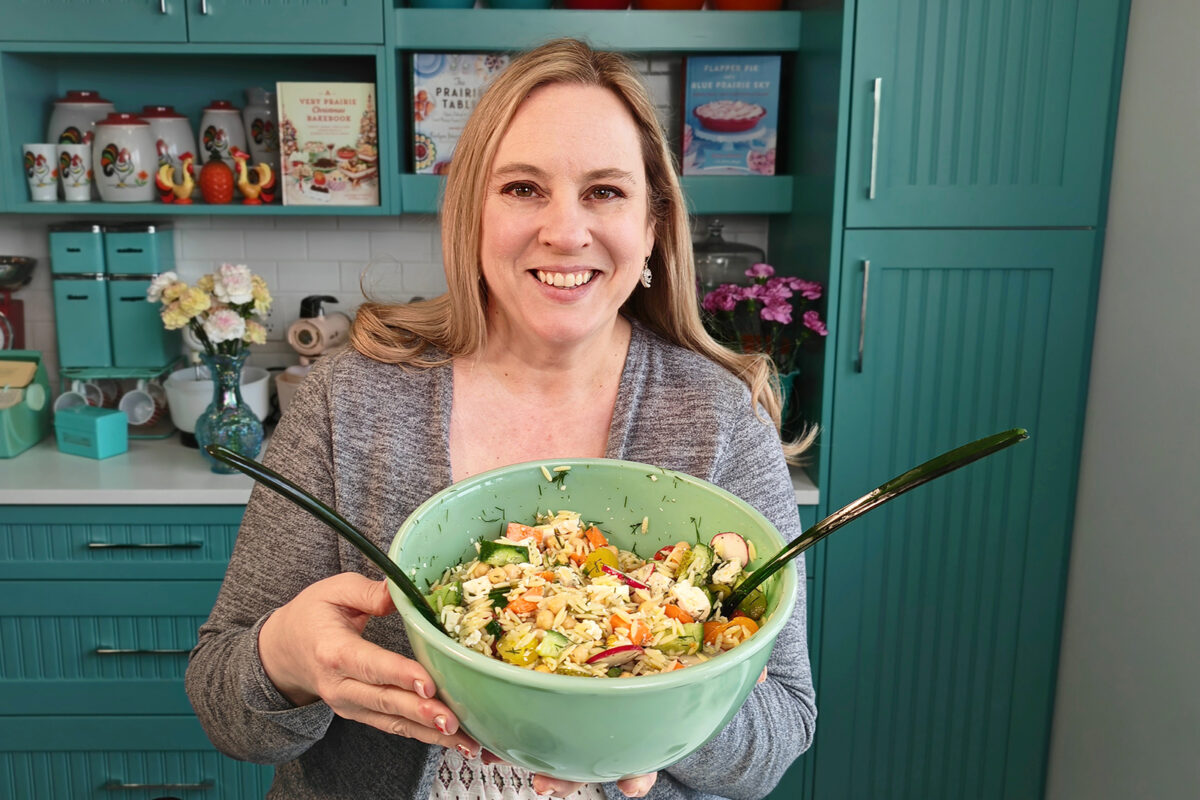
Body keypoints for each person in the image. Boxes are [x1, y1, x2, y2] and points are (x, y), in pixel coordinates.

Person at [186, 38, 816, 800]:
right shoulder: (347, 401)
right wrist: (286, 660)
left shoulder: (721, 421)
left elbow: (783, 730)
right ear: (472, 214)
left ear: (652, 224)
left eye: (605, 191)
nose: (565, 231)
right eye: (522, 188)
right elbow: (224, 704)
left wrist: (677, 720)